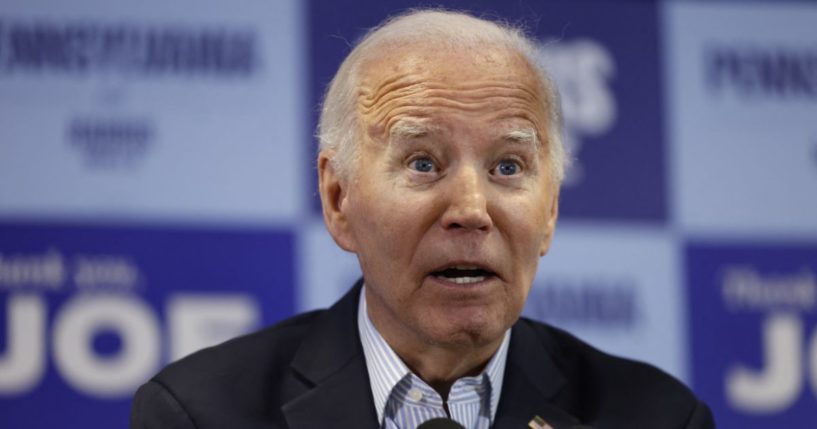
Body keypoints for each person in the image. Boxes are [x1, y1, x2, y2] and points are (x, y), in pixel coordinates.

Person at [130, 10, 715, 429]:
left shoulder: (659, 416)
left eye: (508, 166)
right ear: (339, 200)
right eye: (423, 162)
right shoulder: (199, 413)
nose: (470, 210)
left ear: (551, 210)